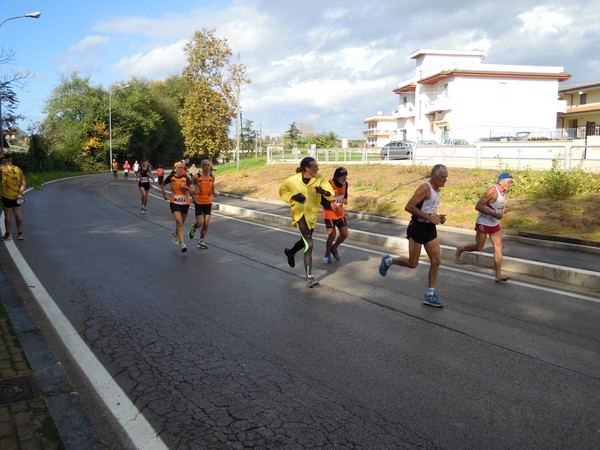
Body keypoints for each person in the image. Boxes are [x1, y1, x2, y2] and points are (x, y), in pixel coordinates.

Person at [378, 164, 449, 307]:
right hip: (417, 228)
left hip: (430, 229)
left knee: (436, 261)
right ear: (434, 176)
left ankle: (430, 294)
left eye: (446, 177)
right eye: (443, 177)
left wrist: (437, 217)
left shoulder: (437, 190)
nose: (445, 180)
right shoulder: (425, 188)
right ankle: (388, 261)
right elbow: (409, 207)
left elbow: (428, 209)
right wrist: (429, 218)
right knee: (413, 264)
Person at [279, 157, 333, 287]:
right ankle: (309, 277)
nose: (317, 168)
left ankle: (290, 252)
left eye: (317, 166)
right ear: (306, 168)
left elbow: (330, 193)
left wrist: (322, 191)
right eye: (314, 166)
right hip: (300, 215)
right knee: (309, 243)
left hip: (312, 216)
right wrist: (293, 197)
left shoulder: (320, 179)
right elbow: (282, 191)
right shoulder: (293, 180)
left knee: (304, 241)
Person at [455, 172, 514, 282]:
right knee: (479, 247)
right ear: (501, 182)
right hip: (483, 223)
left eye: (511, 183)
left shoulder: (504, 191)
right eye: (509, 182)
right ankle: (460, 249)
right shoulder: (492, 190)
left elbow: (494, 205)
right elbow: (478, 206)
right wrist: (495, 214)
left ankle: (498, 275)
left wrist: (502, 210)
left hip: (494, 223)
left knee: (498, 247)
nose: (510, 184)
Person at [161, 162, 193, 253]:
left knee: (181, 224)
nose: (180, 169)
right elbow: (163, 184)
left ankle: (175, 234)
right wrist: (164, 193)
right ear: (175, 169)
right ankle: (182, 244)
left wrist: (186, 187)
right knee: (179, 222)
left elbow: (193, 190)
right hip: (174, 202)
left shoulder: (186, 178)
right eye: (178, 167)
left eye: (182, 168)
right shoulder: (171, 177)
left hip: (185, 203)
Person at [322, 167, 349, 263]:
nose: (345, 178)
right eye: (342, 176)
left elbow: (345, 196)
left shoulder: (345, 184)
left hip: (339, 213)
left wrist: (345, 200)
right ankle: (327, 252)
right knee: (332, 235)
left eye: (346, 176)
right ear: (336, 177)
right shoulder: (329, 184)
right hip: (329, 214)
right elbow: (322, 200)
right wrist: (330, 204)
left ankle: (334, 248)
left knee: (344, 234)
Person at [189, 159, 217, 249]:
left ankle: (201, 241)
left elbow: (212, 190)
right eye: (205, 165)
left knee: (206, 224)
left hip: (208, 202)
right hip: (199, 202)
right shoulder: (196, 176)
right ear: (202, 166)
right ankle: (194, 227)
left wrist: (215, 193)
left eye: (208, 165)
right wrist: (193, 198)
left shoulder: (212, 176)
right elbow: (191, 188)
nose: (207, 167)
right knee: (200, 223)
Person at [0, 153, 27, 241]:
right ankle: (20, 234)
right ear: (11, 160)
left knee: (7, 215)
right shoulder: (18, 169)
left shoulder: (2, 169)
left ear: (4, 160)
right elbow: (23, 184)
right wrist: (19, 193)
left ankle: (7, 235)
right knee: (18, 214)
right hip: (17, 196)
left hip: (6, 196)